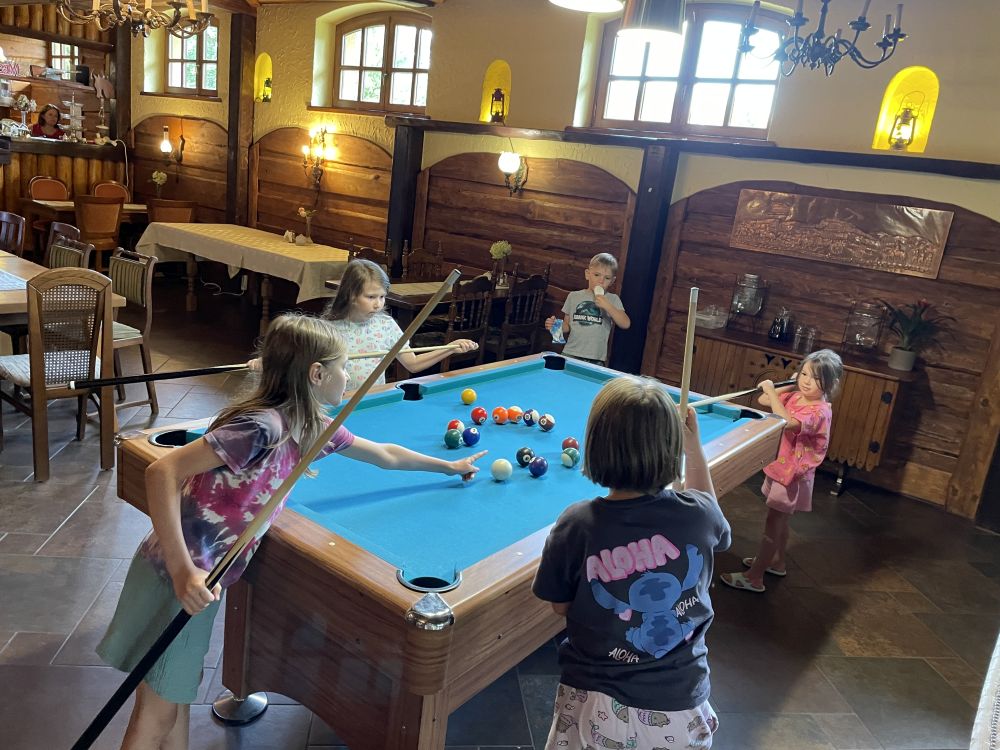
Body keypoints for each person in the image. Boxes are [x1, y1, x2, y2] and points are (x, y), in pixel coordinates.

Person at [97, 313, 485, 750]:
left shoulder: (314, 428)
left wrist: (448, 466)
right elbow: (161, 472)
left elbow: (385, 455)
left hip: (193, 579)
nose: (348, 375)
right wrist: (183, 570)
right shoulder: (263, 427)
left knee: (174, 700)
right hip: (176, 577)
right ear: (316, 374)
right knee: (157, 713)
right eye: (343, 366)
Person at [533, 376, 730, 749]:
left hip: (594, 701)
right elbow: (713, 515)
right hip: (681, 704)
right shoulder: (699, 515)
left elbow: (560, 605)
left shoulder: (577, 523)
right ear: (671, 447)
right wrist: (692, 446)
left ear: (597, 445)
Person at [720, 349, 843, 593]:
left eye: (816, 378)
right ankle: (776, 561)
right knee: (780, 520)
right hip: (781, 468)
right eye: (804, 374)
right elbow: (764, 401)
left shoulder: (819, 411)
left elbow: (787, 421)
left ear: (830, 383)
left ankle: (755, 577)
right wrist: (787, 385)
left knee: (773, 523)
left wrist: (770, 388)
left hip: (792, 476)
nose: (807, 381)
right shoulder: (797, 397)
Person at [544, 252, 630, 367]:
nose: (601, 280)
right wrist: (555, 325)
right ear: (587, 274)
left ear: (612, 281)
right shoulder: (573, 296)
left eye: (607, 278)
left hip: (596, 358)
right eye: (597, 275)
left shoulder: (612, 299)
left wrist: (608, 306)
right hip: (571, 353)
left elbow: (625, 323)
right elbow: (567, 326)